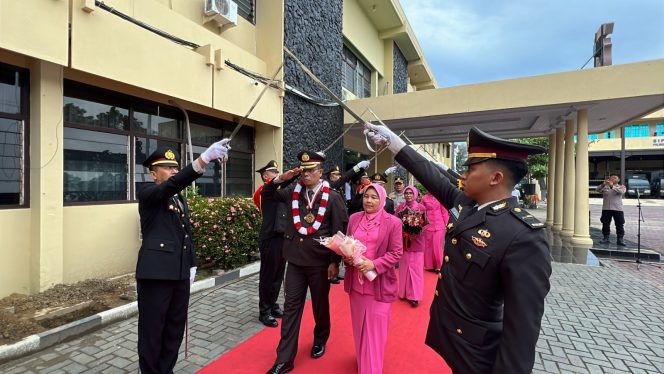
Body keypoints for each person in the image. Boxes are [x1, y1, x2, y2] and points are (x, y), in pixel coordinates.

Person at [365, 124, 552, 373]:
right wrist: (393, 142)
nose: (463, 176)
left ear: (496, 178)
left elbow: (522, 330)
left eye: (472, 169)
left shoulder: (524, 236)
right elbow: (428, 174)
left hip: (479, 354)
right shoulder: (466, 204)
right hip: (453, 339)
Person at [136, 140, 230, 374]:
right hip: (156, 275)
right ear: (153, 174)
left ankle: (166, 370)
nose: (173, 171)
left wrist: (191, 265)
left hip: (178, 273)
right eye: (167, 167)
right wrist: (202, 160)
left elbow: (185, 234)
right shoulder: (147, 192)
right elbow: (171, 186)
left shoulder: (179, 199)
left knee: (174, 329)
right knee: (152, 332)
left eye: (175, 167)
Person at [262, 150, 349, 374]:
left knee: (320, 304)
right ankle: (284, 359)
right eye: (303, 170)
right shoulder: (293, 190)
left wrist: (334, 262)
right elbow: (268, 193)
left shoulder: (333, 196)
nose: (306, 174)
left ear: (321, 172)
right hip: (295, 259)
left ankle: (320, 339)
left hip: (320, 261)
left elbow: (339, 229)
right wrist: (282, 177)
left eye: (311, 170)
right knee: (291, 308)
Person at [344, 183, 403, 374]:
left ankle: (371, 369)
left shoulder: (393, 222)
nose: (368, 200)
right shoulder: (354, 218)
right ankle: (363, 360)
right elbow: (347, 243)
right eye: (366, 196)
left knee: (375, 332)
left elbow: (396, 253)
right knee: (359, 328)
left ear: (383, 200)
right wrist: (346, 255)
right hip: (356, 285)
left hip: (379, 285)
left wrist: (374, 264)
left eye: (374, 197)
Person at [253, 160, 290, 328]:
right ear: (265, 176)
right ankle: (264, 311)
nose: (276, 174)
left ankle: (273, 304)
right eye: (272, 172)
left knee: (278, 274)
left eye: (277, 171)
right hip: (270, 237)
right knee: (268, 276)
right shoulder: (262, 191)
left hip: (282, 237)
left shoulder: (280, 190)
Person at [325, 160, 370, 284]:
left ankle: (336, 271)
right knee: (332, 248)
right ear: (330, 176)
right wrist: (357, 167)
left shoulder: (338, 188)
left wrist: (360, 170)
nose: (339, 177)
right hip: (333, 223)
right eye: (336, 175)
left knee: (340, 248)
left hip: (341, 221)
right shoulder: (329, 186)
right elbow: (346, 177)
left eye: (339, 174)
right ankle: (330, 274)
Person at [395, 185, 427, 307]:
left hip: (417, 242)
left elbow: (425, 225)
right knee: (404, 268)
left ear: (415, 194)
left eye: (410, 193)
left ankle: (414, 296)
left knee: (416, 270)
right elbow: (395, 222)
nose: (408, 195)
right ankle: (403, 293)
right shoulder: (400, 207)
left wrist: (416, 230)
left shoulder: (421, 207)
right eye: (406, 193)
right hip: (403, 242)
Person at [421, 191, 449, 273]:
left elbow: (444, 212)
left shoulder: (440, 197)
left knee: (437, 246)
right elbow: (422, 212)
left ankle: (439, 266)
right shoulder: (424, 198)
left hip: (439, 225)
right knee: (429, 246)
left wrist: (446, 224)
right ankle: (430, 265)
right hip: (428, 226)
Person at [596, 175, 627, 246]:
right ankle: (606, 238)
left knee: (619, 224)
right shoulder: (605, 186)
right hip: (606, 208)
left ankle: (620, 239)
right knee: (605, 224)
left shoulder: (621, 186)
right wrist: (603, 184)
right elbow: (597, 190)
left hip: (618, 209)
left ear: (618, 180)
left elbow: (621, 192)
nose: (613, 179)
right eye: (612, 177)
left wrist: (612, 186)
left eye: (615, 178)